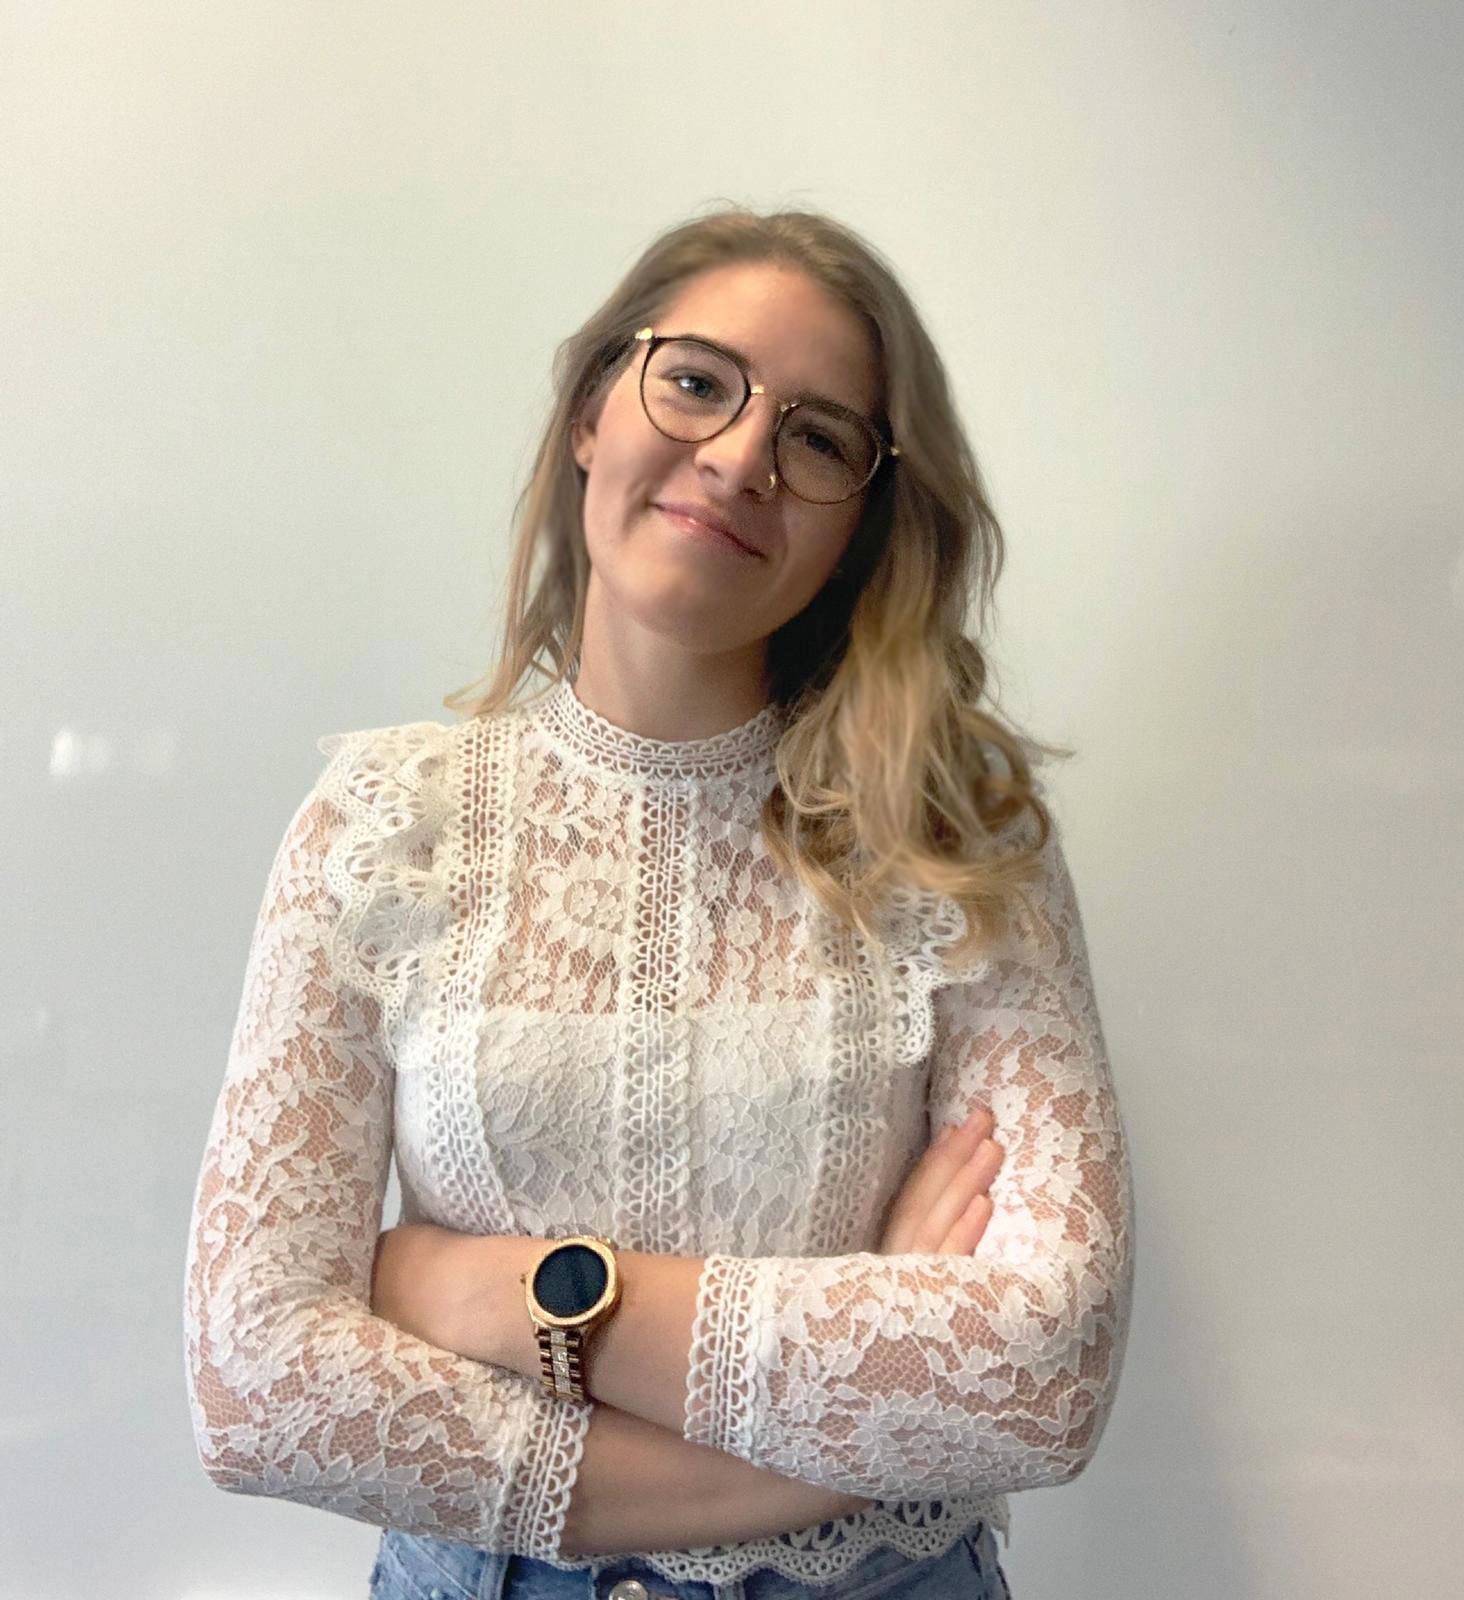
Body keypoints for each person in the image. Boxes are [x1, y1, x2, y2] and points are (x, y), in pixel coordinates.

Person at [184, 204, 1134, 1600]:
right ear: (590, 412)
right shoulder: (384, 826)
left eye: (820, 440)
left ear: (863, 520)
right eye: (697, 381)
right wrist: (842, 1441)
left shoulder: (952, 844)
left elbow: (1045, 1371)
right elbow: (256, 1385)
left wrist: (502, 1291)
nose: (741, 456)